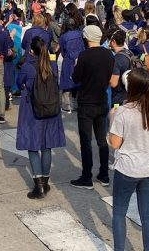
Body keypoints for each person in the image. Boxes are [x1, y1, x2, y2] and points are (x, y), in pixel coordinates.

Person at [109, 68, 149, 251]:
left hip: (129, 168)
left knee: (119, 212)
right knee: (147, 214)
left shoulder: (124, 111)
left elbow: (115, 143)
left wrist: (112, 120)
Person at [16, 37, 65, 199]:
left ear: (32, 50)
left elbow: (19, 82)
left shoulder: (28, 67)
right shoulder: (52, 66)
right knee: (46, 146)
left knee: (33, 146)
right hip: (50, 109)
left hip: (32, 109)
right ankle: (45, 181)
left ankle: (38, 186)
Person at [70, 25, 114, 189]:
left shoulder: (84, 56)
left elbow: (76, 78)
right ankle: (104, 175)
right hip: (102, 99)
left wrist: (76, 65)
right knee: (102, 140)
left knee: (86, 141)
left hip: (86, 102)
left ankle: (86, 177)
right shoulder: (108, 54)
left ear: (86, 38)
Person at [57, 16, 84, 113]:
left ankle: (67, 105)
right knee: (78, 82)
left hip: (68, 60)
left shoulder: (63, 36)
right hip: (80, 58)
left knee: (67, 82)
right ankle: (77, 103)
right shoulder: (80, 34)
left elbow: (63, 51)